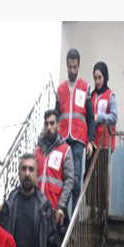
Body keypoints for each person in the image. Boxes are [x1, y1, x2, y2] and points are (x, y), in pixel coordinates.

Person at [55, 48, 95, 217]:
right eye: (70, 67)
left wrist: (90, 141)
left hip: (79, 140)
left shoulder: (85, 87)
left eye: (75, 67)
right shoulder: (61, 89)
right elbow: (56, 116)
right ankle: (64, 218)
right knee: (64, 180)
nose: (72, 70)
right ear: (67, 66)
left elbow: (91, 118)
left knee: (76, 181)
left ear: (79, 66)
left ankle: (74, 221)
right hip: (63, 140)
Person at [35, 109, 75, 225]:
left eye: (52, 123)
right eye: (46, 124)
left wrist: (61, 206)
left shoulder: (65, 150)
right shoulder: (37, 151)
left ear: (58, 125)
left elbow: (69, 180)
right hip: (36, 209)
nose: (49, 127)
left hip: (53, 210)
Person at [89, 61, 118, 213]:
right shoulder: (92, 95)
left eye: (100, 77)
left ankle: (102, 211)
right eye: (95, 77)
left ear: (105, 77)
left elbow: (114, 117)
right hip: (92, 142)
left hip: (104, 143)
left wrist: (98, 117)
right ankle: (93, 210)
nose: (97, 81)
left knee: (102, 178)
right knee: (91, 179)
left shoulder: (110, 95)